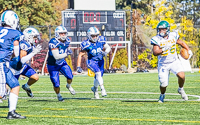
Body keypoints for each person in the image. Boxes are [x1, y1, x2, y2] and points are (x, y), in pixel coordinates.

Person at [150, 20, 193, 103]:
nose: (161, 31)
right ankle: (162, 95)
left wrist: (188, 50)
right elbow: (155, 52)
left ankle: (181, 89)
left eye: (163, 29)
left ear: (167, 29)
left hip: (174, 61)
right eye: (159, 29)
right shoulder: (156, 39)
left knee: (182, 76)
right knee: (163, 84)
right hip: (163, 64)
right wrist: (163, 49)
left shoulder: (173, 35)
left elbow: (181, 43)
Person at [0, 10, 26, 119]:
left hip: (4, 65)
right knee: (1, 94)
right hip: (1, 63)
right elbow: (16, 51)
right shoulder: (15, 33)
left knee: (15, 85)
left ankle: (11, 112)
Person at [77, 27, 111, 99]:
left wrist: (105, 52)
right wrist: (78, 66)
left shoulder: (101, 40)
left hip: (100, 61)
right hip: (91, 61)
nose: (95, 37)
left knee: (98, 77)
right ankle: (103, 89)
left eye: (96, 35)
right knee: (98, 73)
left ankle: (95, 89)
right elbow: (80, 55)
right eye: (93, 36)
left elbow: (108, 47)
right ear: (89, 36)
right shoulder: (86, 44)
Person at [9, 27, 42, 98]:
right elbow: (22, 60)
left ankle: (26, 86)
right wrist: (33, 53)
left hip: (22, 66)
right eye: (34, 37)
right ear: (29, 36)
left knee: (35, 77)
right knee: (9, 88)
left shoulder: (30, 44)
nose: (36, 39)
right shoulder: (24, 44)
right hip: (15, 68)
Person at [47, 25, 75, 101]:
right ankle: (58, 95)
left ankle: (68, 86)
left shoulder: (67, 40)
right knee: (56, 84)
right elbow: (56, 56)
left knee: (70, 76)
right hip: (52, 65)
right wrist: (67, 54)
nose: (63, 35)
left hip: (62, 63)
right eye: (61, 33)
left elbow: (65, 48)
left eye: (64, 33)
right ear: (57, 34)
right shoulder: (53, 42)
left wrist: (68, 50)